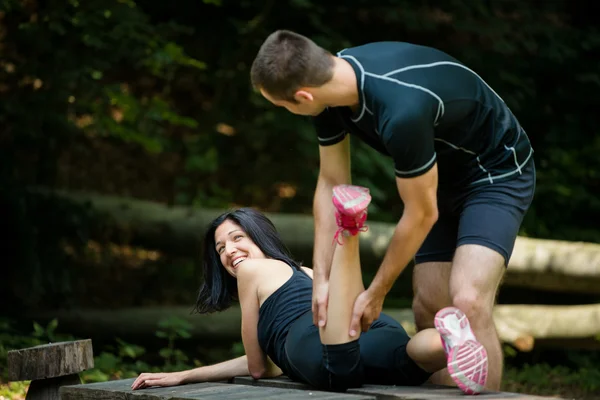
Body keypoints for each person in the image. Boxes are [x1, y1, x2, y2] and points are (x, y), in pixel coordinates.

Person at [250, 30, 536, 390]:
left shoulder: (401, 109)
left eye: (285, 106)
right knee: (429, 309)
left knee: (468, 300)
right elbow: (331, 183)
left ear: (303, 95)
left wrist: (377, 291)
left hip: (494, 174)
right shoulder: (330, 90)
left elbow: (421, 213)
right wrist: (321, 278)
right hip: (435, 178)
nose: (291, 112)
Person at [132, 186, 488, 394]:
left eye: (237, 238)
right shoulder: (306, 272)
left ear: (260, 238)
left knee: (338, 357)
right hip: (366, 330)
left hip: (322, 346)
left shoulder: (250, 272)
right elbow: (270, 361)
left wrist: (189, 374)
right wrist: (185, 374)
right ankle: (447, 341)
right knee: (408, 357)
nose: (229, 251)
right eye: (221, 248)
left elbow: (258, 367)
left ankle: (347, 231)